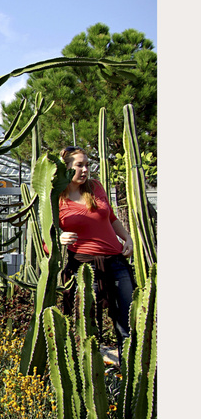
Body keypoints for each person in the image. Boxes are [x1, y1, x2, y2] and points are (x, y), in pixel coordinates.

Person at [56, 146, 138, 345]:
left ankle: (129, 372)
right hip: (85, 268)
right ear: (66, 167)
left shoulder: (95, 187)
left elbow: (111, 218)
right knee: (87, 328)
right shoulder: (56, 198)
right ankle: (90, 374)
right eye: (79, 165)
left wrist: (127, 238)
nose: (85, 170)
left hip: (116, 262)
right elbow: (48, 234)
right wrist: (60, 237)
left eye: (87, 165)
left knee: (128, 325)